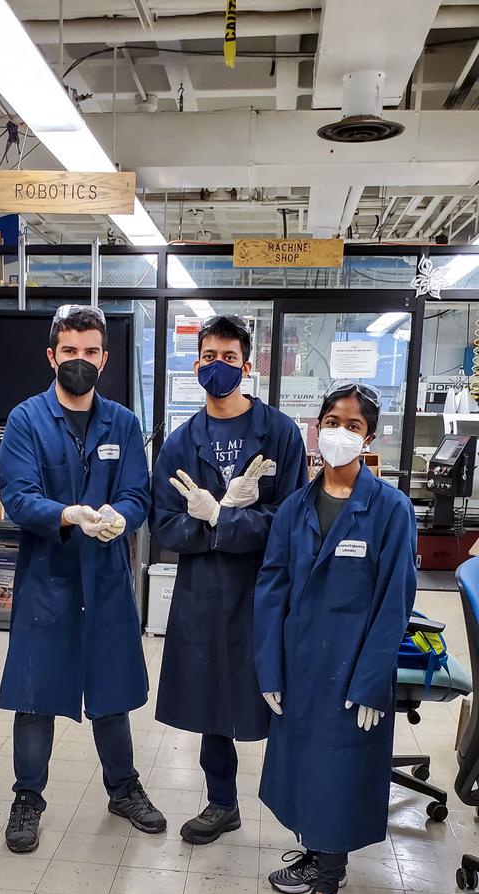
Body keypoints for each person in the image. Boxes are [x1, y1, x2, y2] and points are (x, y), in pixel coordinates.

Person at [255, 382, 417, 894]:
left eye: (352, 424)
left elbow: (394, 601)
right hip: (300, 666)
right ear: (315, 428)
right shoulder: (296, 508)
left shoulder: (391, 509)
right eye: (330, 420)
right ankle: (314, 852)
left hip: (353, 672)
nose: (339, 433)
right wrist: (269, 669)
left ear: (368, 436)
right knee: (305, 771)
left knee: (340, 779)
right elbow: (272, 589)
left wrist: (374, 679)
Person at [0, 304, 166, 853]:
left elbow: (139, 494)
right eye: (69, 351)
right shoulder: (25, 420)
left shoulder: (124, 421)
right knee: (36, 694)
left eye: (90, 352)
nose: (80, 360)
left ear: (105, 358)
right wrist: (67, 515)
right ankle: (28, 798)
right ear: (51, 356)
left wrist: (121, 515)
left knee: (110, 691)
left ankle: (123, 788)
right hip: (49, 577)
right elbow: (18, 498)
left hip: (108, 576)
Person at [150, 315, 307, 845]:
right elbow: (164, 523)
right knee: (213, 701)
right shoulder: (179, 443)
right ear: (197, 364)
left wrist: (225, 518)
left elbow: (291, 519)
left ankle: (301, 808)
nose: (219, 366)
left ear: (248, 364)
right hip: (204, 593)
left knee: (282, 695)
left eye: (229, 358)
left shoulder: (280, 434)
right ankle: (222, 803)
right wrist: (208, 519)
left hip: (267, 589)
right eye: (209, 357)